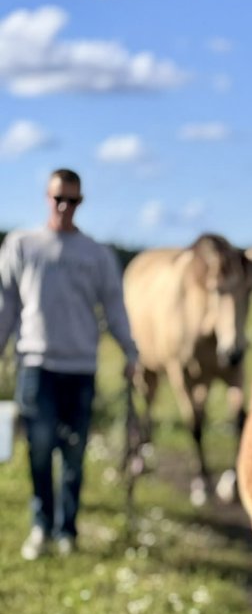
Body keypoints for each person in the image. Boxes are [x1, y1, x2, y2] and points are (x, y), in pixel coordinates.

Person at [0, 167, 139, 559]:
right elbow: (6, 305)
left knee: (74, 454)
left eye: (73, 200)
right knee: (40, 449)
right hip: (36, 364)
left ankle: (68, 531)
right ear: (47, 197)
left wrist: (130, 352)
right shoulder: (22, 245)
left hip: (80, 368)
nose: (65, 207)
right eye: (58, 198)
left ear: (81, 202)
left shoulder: (96, 255)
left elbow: (114, 307)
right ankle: (41, 526)